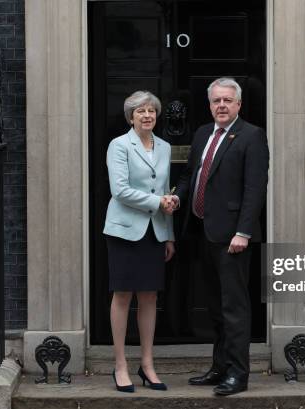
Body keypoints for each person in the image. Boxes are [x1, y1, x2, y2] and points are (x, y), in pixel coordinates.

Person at [172, 77, 269, 396]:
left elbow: (254, 190)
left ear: (239, 104)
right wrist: (177, 197)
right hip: (202, 230)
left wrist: (243, 231)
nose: (222, 106)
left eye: (228, 100)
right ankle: (220, 367)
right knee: (214, 306)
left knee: (234, 308)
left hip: (233, 238)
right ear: (210, 104)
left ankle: (238, 375)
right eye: (217, 101)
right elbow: (191, 174)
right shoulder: (203, 133)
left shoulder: (252, 136)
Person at [103, 91, 177, 393]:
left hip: (155, 232)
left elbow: (164, 189)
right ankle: (120, 365)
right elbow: (119, 190)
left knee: (150, 297)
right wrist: (158, 202)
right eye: (141, 111)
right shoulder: (119, 145)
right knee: (123, 296)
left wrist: (169, 233)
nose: (147, 116)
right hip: (124, 231)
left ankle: (147, 364)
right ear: (130, 116)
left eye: (151, 111)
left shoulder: (165, 147)